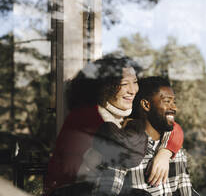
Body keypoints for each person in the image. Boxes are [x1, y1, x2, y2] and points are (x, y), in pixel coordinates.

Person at [44, 55, 184, 196]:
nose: (132, 90)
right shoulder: (88, 116)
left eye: (135, 82)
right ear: (105, 86)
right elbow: (128, 153)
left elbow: (172, 126)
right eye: (124, 84)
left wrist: (165, 153)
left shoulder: (124, 111)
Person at [88, 76, 197, 196]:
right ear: (146, 105)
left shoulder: (175, 152)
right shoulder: (124, 150)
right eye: (167, 101)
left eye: (174, 102)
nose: (174, 107)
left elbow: (186, 191)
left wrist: (166, 152)